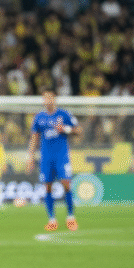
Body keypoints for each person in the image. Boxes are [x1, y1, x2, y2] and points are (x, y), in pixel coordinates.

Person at [27, 91, 82, 231]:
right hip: (46, 157)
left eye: (50, 97)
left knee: (66, 184)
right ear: (43, 100)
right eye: (45, 98)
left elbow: (79, 130)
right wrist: (30, 156)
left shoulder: (64, 115)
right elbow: (34, 137)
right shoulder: (39, 117)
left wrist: (65, 129)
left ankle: (71, 218)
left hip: (61, 156)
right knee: (48, 187)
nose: (48, 100)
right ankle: (52, 220)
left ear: (54, 99)